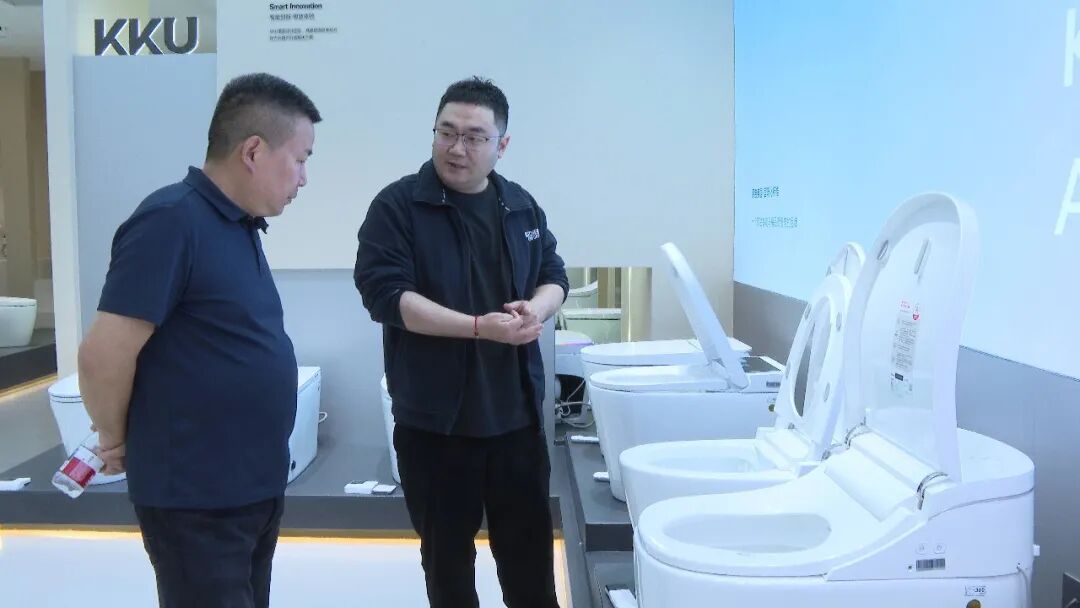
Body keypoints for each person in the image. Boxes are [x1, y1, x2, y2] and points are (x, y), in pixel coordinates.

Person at [76, 72, 320, 608]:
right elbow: (102, 355)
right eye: (300, 159)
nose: (303, 178)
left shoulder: (236, 224)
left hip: (250, 488)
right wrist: (115, 439)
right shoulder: (170, 221)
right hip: (197, 498)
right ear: (253, 151)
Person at [355, 76, 568, 608]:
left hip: (516, 422)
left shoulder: (520, 206)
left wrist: (537, 308)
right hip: (435, 427)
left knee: (531, 568)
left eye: (474, 137)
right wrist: (477, 327)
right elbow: (385, 296)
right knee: (448, 571)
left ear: (502, 144)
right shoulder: (398, 206)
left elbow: (554, 274)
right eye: (446, 132)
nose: (456, 148)